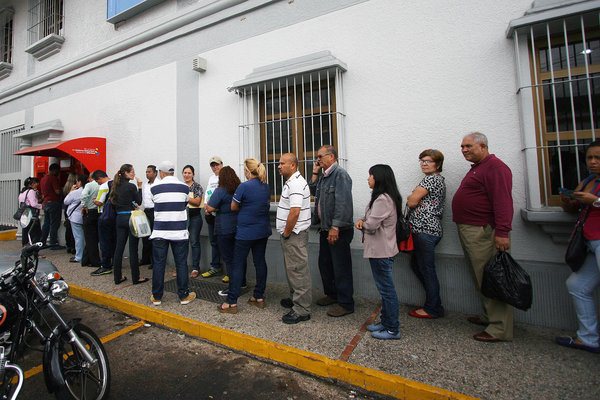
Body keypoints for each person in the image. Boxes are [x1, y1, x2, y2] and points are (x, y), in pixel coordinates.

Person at [452, 132, 514, 342]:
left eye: (468, 146)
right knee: (481, 277)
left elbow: (503, 202)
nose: (464, 150)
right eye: (462, 146)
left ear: (483, 146)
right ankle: (489, 317)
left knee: (490, 278)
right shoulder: (479, 168)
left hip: (482, 232)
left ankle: (499, 328)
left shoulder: (496, 168)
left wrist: (503, 232)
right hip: (472, 230)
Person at [555, 140, 600, 354]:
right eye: (589, 157)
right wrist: (570, 201)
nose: (593, 162)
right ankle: (588, 337)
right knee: (578, 285)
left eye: (597, 158)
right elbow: (577, 209)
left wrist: (595, 200)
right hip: (588, 240)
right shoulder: (588, 181)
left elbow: (595, 203)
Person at [218, 158, 271, 314]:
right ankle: (258, 297)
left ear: (247, 171)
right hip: (262, 231)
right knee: (260, 262)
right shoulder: (266, 186)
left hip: (245, 232)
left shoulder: (243, 187)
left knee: (237, 264)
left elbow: (233, 206)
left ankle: (231, 302)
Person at [355, 165, 401, 340]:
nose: (368, 179)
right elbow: (372, 218)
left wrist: (361, 223)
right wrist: (363, 220)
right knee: (385, 290)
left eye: (370, 176)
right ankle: (386, 322)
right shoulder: (383, 197)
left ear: (378, 178)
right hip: (381, 250)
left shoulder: (383, 199)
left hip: (381, 251)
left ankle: (392, 329)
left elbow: (372, 225)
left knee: (387, 291)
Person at [309, 145, 354, 317]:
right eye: (317, 156)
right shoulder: (324, 176)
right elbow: (313, 192)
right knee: (325, 264)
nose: (318, 159)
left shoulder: (340, 175)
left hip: (338, 230)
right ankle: (332, 294)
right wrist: (314, 173)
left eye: (320, 156)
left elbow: (343, 203)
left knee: (341, 267)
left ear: (332, 157)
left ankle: (346, 303)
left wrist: (335, 227)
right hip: (325, 228)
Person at [150, 161, 197, 306]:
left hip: (160, 232)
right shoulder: (184, 187)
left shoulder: (154, 187)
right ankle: (183, 296)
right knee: (181, 264)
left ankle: (157, 296)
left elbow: (154, 205)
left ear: (162, 173)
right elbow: (184, 204)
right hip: (179, 232)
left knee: (159, 263)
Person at [407, 149, 446, 319]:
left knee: (426, 268)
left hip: (426, 230)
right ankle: (433, 303)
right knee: (418, 265)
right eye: (422, 160)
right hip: (423, 230)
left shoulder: (431, 179)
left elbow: (412, 201)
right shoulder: (432, 180)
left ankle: (433, 308)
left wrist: (412, 197)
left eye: (428, 161)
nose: (424, 163)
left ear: (437, 164)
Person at [276, 153, 312, 324]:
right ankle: (296, 300)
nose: (278, 166)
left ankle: (302, 309)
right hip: (292, 234)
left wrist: (287, 232)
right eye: (278, 163)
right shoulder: (291, 182)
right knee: (293, 270)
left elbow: (295, 212)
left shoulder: (296, 183)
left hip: (294, 235)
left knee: (298, 271)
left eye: (282, 163)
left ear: (293, 166)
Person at [205, 166, 246, 297]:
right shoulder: (239, 188)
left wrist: (209, 208)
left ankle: (233, 287)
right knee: (239, 257)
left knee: (229, 259)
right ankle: (242, 282)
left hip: (224, 228)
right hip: (239, 226)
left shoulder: (220, 190)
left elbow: (210, 207)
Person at [109, 164, 148, 285]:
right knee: (133, 249)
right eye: (132, 172)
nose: (134, 174)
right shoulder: (131, 186)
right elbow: (139, 201)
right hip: (131, 218)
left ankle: (117, 277)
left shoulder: (114, 186)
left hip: (119, 218)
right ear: (125, 173)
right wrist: (140, 187)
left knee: (119, 249)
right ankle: (136, 278)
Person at [202, 156, 225, 280]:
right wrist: (206, 206)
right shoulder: (211, 178)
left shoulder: (225, 177)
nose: (215, 167)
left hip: (221, 215)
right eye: (212, 165)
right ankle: (215, 267)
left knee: (224, 243)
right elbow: (208, 193)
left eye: (217, 164)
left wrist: (213, 207)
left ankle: (229, 272)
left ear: (222, 164)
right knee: (213, 242)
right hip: (210, 214)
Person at [91, 170, 116, 276]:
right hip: (115, 217)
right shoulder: (115, 184)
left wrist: (94, 200)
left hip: (104, 216)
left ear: (100, 178)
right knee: (114, 241)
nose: (98, 183)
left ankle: (105, 266)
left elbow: (100, 202)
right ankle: (115, 262)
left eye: (97, 181)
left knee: (104, 242)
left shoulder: (103, 186)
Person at [182, 165, 204, 278]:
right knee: (182, 243)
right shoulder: (180, 187)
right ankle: (181, 268)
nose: (186, 175)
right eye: (185, 172)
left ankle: (195, 268)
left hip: (195, 217)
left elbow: (197, 201)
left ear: (193, 174)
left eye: (189, 173)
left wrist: (185, 197)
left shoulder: (197, 187)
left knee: (194, 242)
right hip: (182, 218)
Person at [40, 163, 65, 249]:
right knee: (54, 224)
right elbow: (57, 191)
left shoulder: (43, 179)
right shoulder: (53, 178)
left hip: (46, 203)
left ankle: (42, 242)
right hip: (54, 203)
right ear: (54, 170)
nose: (58, 173)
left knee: (46, 223)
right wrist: (64, 191)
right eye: (58, 171)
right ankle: (53, 243)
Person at [63, 175, 87, 264]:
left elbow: (66, 201)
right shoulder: (87, 190)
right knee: (85, 236)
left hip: (75, 217)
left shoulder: (76, 192)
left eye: (77, 181)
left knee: (78, 237)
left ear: (80, 182)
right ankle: (85, 254)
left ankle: (78, 256)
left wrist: (71, 191)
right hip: (85, 216)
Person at [81, 172, 101, 269]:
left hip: (90, 211)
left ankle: (94, 261)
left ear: (91, 177)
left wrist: (84, 205)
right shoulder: (101, 185)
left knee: (90, 238)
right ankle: (85, 259)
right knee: (96, 237)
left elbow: (84, 195)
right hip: (98, 212)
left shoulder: (89, 185)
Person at [140, 165, 158, 269]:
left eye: (149, 172)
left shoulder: (158, 184)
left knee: (153, 236)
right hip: (146, 211)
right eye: (146, 172)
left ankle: (154, 260)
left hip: (154, 211)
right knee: (145, 235)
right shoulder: (145, 185)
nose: (147, 174)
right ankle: (145, 259)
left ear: (155, 173)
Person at [18, 177, 42, 245]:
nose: (37, 184)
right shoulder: (31, 192)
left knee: (26, 232)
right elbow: (33, 204)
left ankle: (25, 249)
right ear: (30, 184)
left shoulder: (22, 192)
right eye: (35, 183)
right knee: (37, 233)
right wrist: (41, 206)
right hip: (32, 215)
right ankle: (35, 252)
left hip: (25, 215)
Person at [62, 172, 77, 254]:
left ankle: (68, 245)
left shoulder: (66, 186)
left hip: (67, 209)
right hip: (74, 208)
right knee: (73, 228)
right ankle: (73, 246)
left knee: (68, 227)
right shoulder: (75, 187)